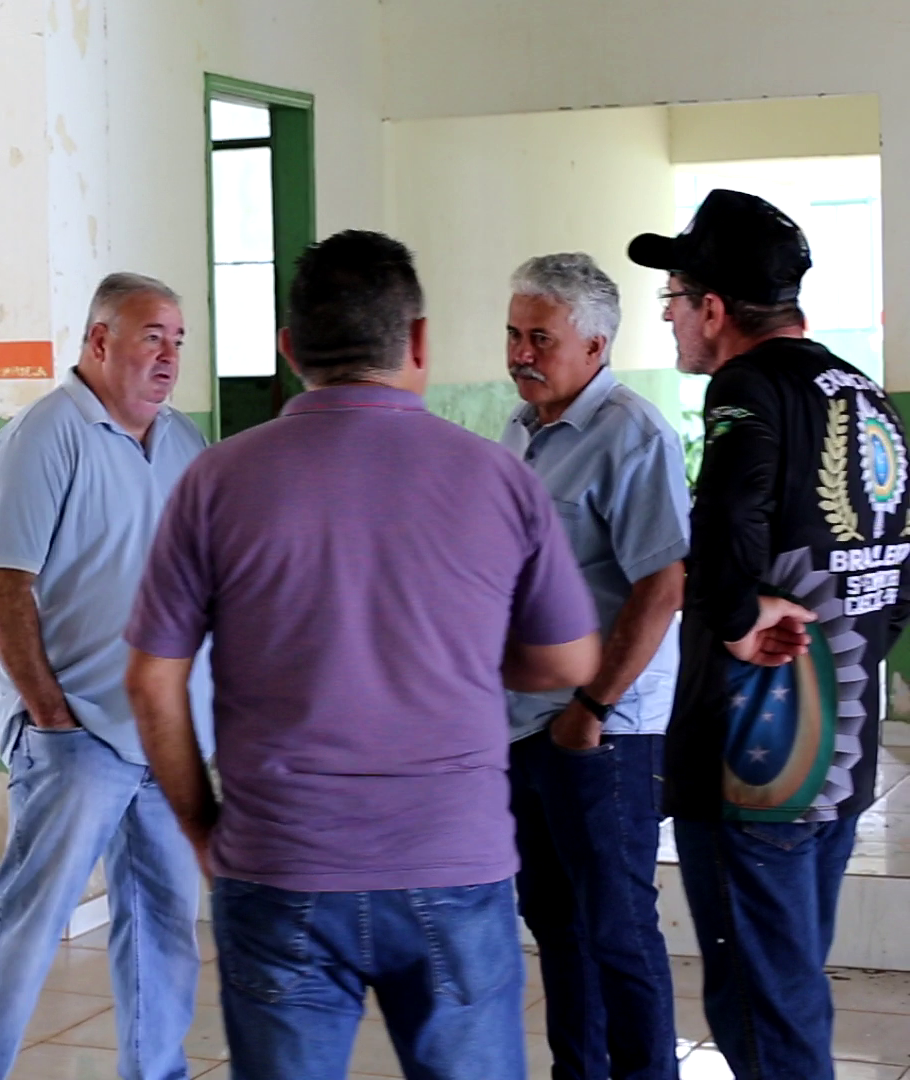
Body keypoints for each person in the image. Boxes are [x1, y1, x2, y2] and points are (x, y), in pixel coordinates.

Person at [126, 230, 601, 1080]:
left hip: (281, 862)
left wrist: (200, 826)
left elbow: (152, 680)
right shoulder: (497, 476)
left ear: (289, 349)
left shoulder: (215, 480)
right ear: (418, 340)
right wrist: (463, 659)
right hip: (452, 859)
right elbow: (569, 661)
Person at [631, 189, 910, 1080]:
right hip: (840, 754)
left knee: (762, 1013)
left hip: (757, 761)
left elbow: (723, 530)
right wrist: (848, 643)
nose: (669, 318)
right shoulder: (862, 391)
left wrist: (742, 618)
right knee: (790, 992)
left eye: (674, 298)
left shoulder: (747, 388)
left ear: (714, 308)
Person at [0, 272, 211, 1080]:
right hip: (78, 734)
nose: (169, 357)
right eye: (152, 338)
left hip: (166, 732)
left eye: (178, 342)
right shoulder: (44, 436)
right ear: (99, 341)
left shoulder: (185, 442)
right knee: (29, 924)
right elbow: (2, 586)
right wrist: (51, 718)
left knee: (163, 924)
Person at [499, 253, 688, 1080]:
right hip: (525, 721)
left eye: (539, 338)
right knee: (555, 922)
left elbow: (663, 583)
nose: (520, 352)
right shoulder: (519, 429)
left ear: (596, 345)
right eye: (514, 333)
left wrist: (593, 709)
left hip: (603, 731)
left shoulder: (632, 434)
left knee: (617, 927)